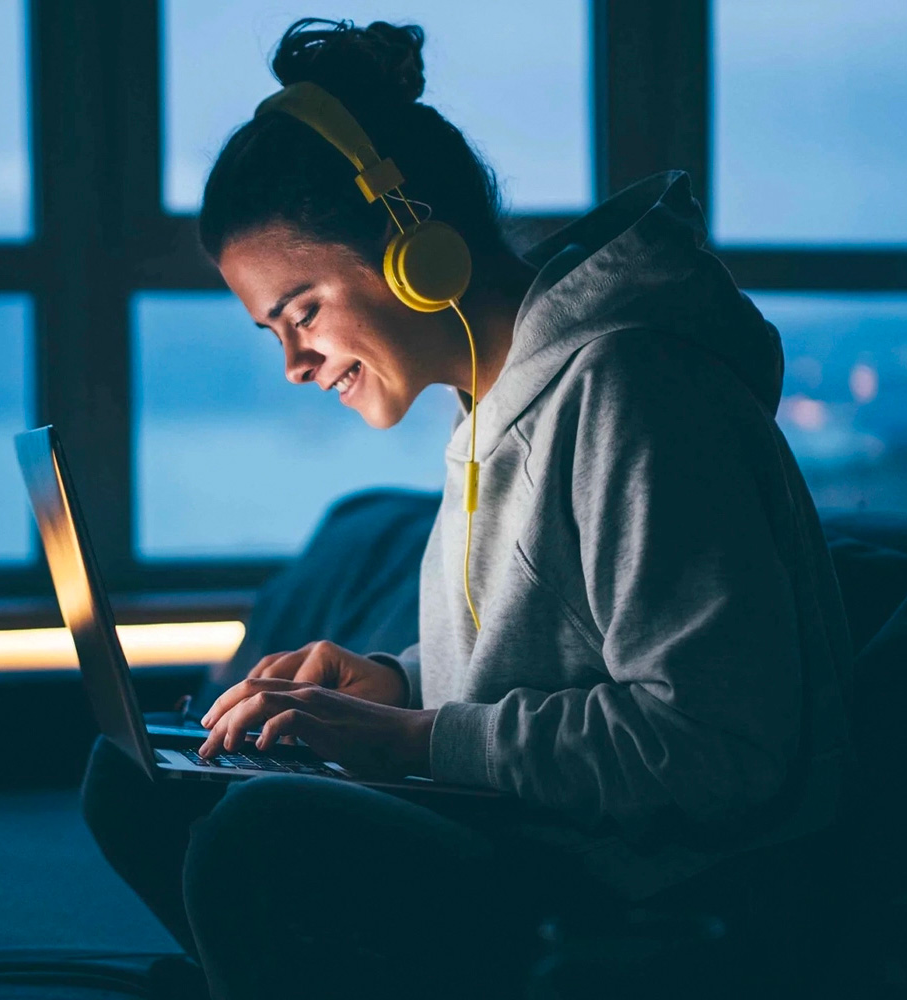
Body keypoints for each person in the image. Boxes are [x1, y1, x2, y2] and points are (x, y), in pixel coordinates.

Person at [81, 16, 855, 1000]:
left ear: (417, 249)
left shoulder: (632, 390)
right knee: (139, 780)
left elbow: (713, 747)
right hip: (548, 850)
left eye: (302, 310)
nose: (294, 364)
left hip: (659, 903)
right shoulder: (492, 409)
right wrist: (393, 686)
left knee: (261, 833)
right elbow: (557, 655)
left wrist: (411, 741)